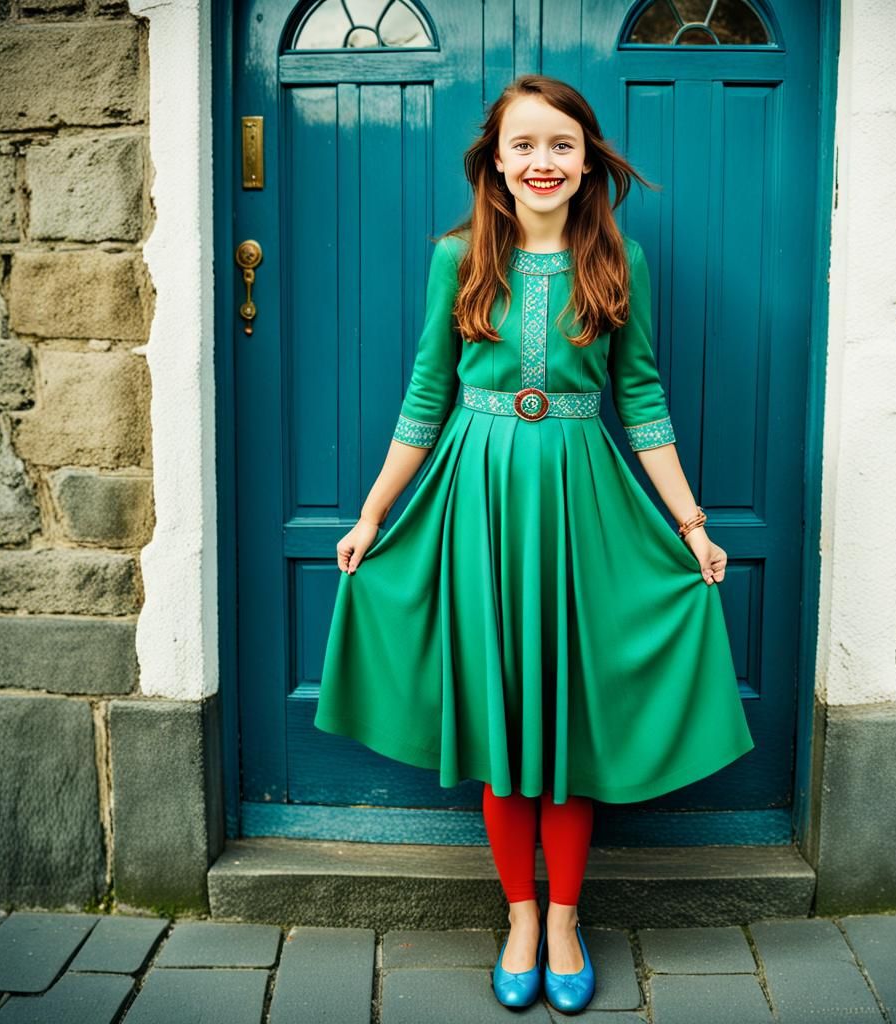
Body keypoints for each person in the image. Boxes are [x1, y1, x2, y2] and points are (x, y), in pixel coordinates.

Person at [314, 73, 755, 1014]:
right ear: (496, 161)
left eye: (562, 144)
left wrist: (691, 522)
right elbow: (427, 395)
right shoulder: (458, 257)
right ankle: (519, 913)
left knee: (563, 719)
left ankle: (565, 919)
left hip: (581, 502)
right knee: (504, 720)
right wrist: (371, 513)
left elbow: (639, 397)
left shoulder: (619, 259)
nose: (543, 162)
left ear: (587, 157)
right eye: (525, 145)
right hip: (477, 499)